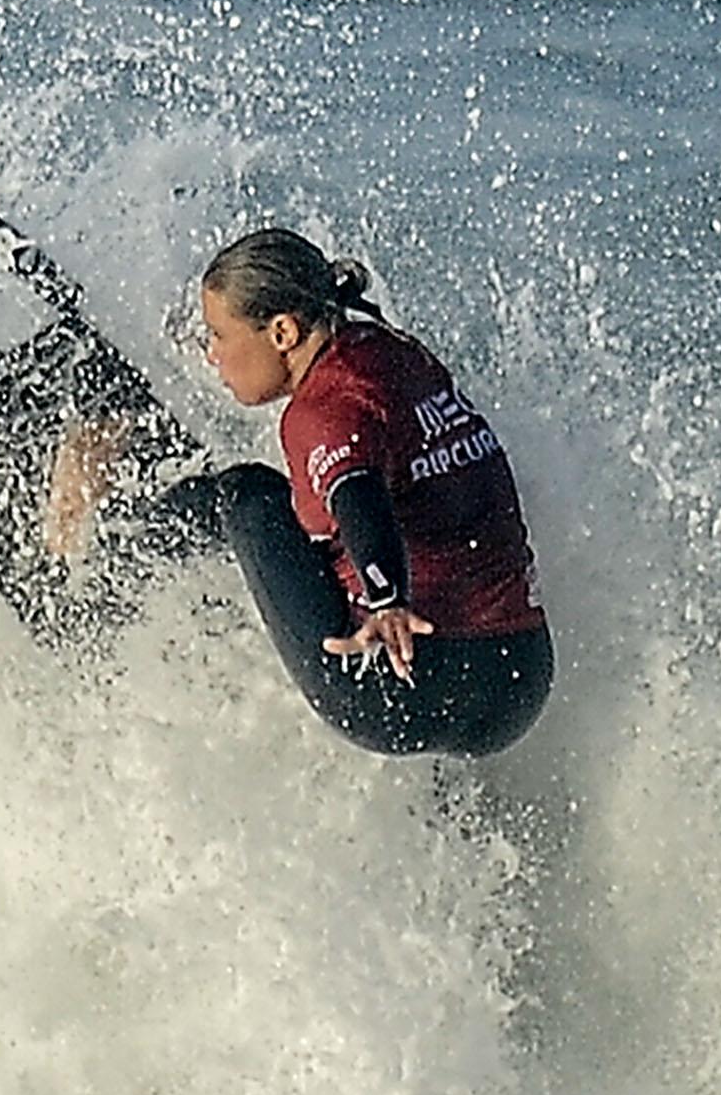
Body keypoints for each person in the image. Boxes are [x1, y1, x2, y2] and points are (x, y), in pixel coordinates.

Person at [54, 226, 553, 756]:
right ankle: (447, 799)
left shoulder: (322, 411)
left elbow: (359, 496)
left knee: (245, 493)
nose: (212, 355)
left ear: (283, 332)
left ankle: (106, 558)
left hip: (399, 692)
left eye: (218, 336)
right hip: (519, 684)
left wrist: (388, 600)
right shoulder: (394, 352)